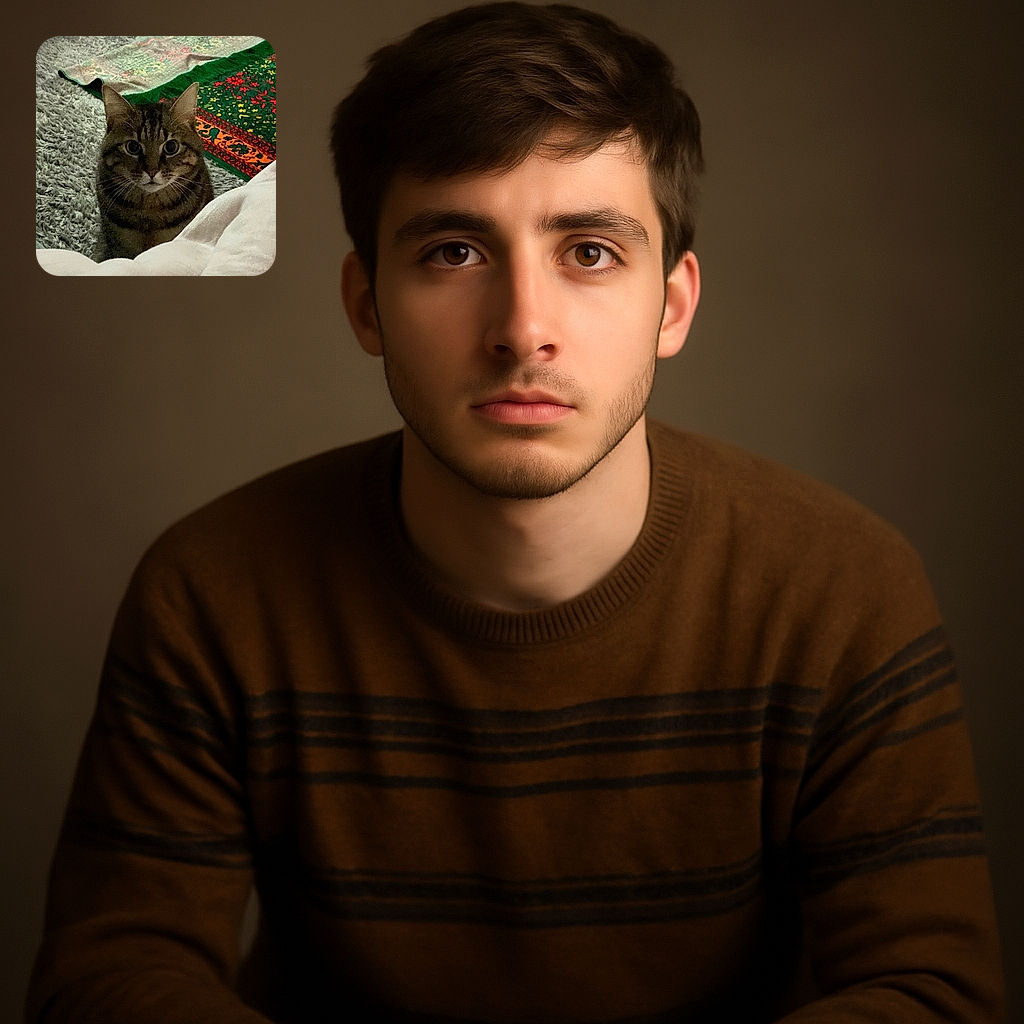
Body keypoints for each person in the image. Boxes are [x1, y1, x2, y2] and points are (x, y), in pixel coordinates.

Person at [26, 4, 1004, 1022]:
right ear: (366, 304)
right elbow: (107, 978)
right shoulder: (213, 592)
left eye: (588, 252)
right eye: (454, 251)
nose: (523, 330)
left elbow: (931, 991)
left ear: (671, 305)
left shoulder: (841, 587)